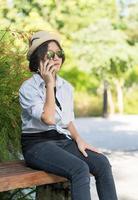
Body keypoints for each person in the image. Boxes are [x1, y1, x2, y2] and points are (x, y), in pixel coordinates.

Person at [19, 30, 118, 200]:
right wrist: (49, 84)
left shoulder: (66, 87)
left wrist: (80, 140)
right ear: (38, 59)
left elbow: (67, 121)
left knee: (102, 163)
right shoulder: (28, 88)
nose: (56, 58)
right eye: (50, 54)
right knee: (79, 169)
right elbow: (48, 118)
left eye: (59, 53)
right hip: (37, 145)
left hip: (62, 141)